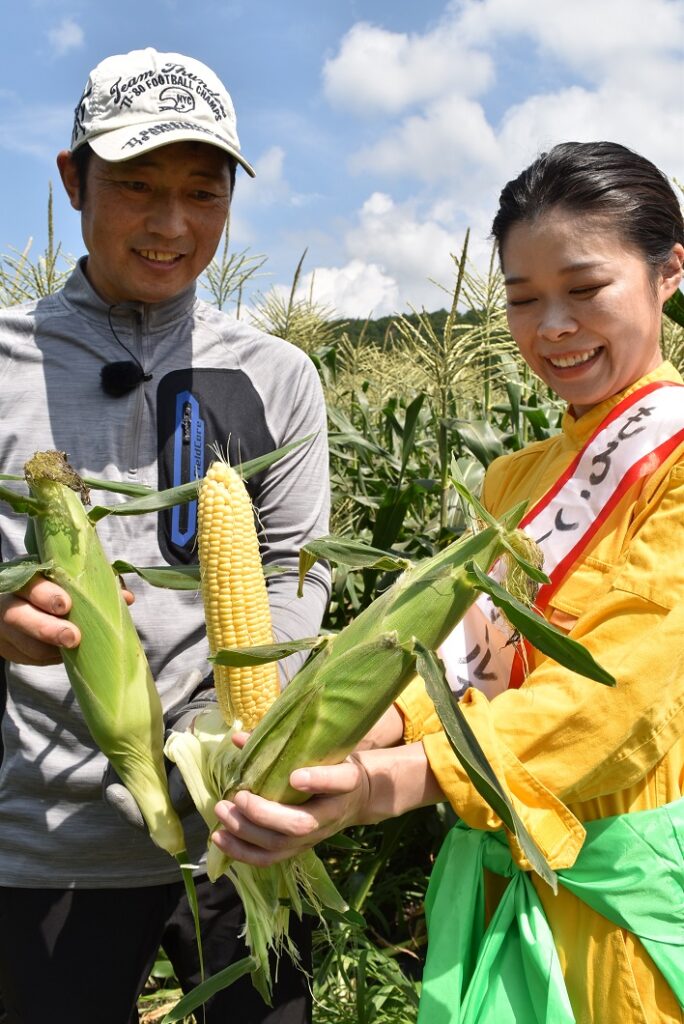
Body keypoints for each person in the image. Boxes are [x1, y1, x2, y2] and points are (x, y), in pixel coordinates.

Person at [211, 141, 684, 1024]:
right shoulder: (514, 481)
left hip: (627, 909)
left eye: (584, 291)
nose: (552, 328)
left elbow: (616, 693)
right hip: (505, 876)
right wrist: (334, 743)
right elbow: (463, 662)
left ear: (667, 274)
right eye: (522, 299)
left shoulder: (675, 460)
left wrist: (377, 785)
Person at [0, 48, 330, 1024]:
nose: (172, 224)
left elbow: (292, 575)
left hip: (244, 827)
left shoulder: (275, 376)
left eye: (203, 191)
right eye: (137, 187)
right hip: (50, 844)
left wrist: (248, 746)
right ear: (72, 180)